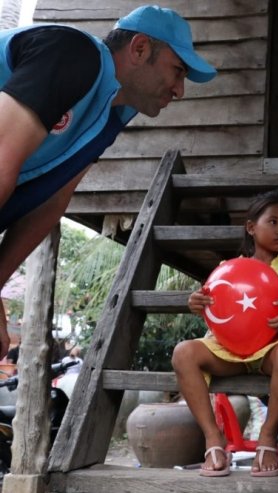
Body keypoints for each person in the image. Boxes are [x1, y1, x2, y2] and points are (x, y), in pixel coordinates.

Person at [0, 5, 216, 359]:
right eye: (178, 71)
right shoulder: (73, 54)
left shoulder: (109, 116)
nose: (180, 91)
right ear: (140, 48)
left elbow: (52, 202)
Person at [172, 188, 278, 478]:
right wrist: (199, 303)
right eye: (273, 222)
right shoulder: (226, 270)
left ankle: (268, 435)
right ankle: (212, 437)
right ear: (251, 227)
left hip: (272, 347)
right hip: (229, 350)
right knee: (184, 353)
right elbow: (217, 311)